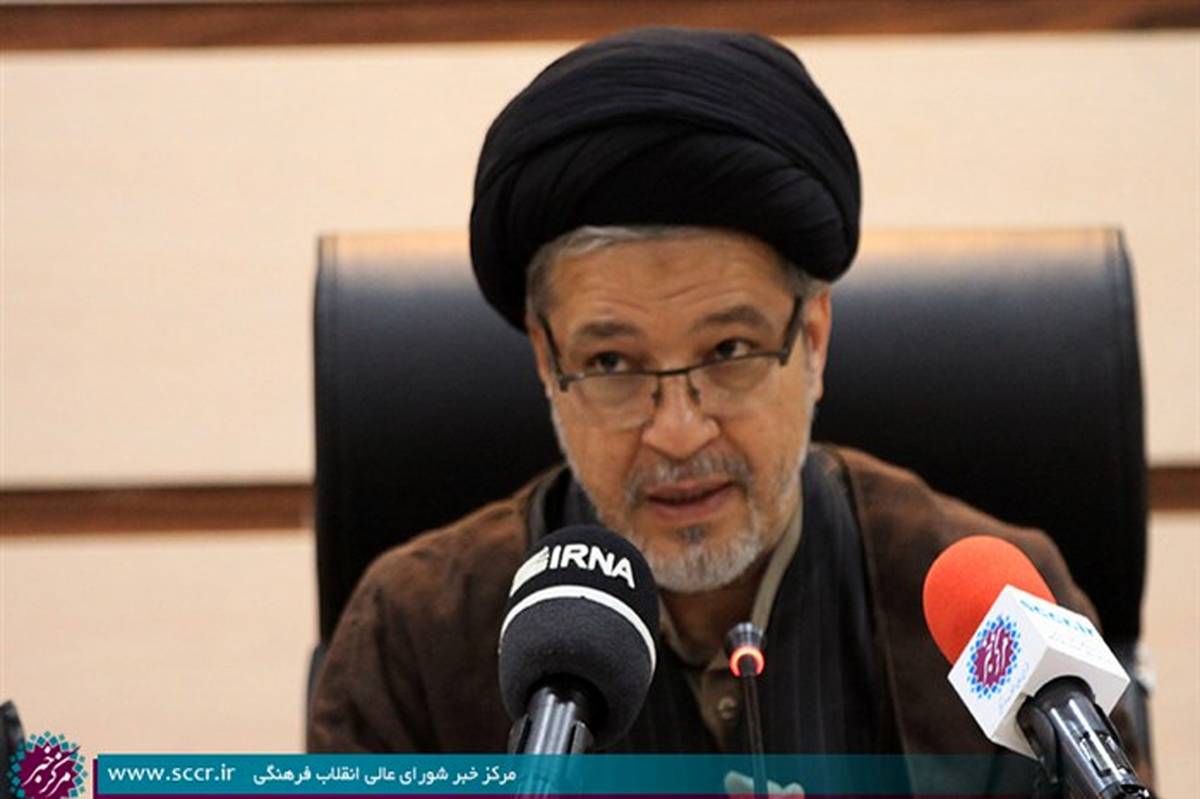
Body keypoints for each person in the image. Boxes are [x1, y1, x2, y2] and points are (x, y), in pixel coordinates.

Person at [307, 26, 1150, 792]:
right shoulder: (412, 638)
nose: (678, 431)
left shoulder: (999, 618)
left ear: (813, 339)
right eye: (611, 363)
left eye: (729, 350)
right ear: (546, 360)